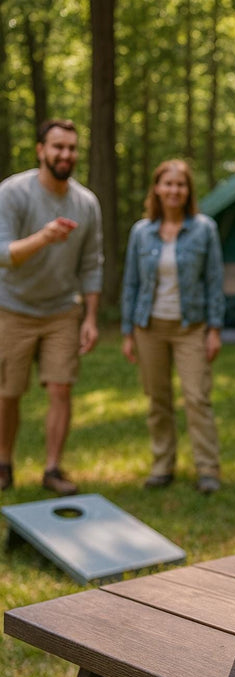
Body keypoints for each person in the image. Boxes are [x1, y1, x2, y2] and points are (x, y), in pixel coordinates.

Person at [0, 118, 104, 495]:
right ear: (41, 150)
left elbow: (92, 262)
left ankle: (52, 469)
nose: (66, 154)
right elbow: (2, 253)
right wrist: (43, 237)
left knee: (61, 387)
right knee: (8, 391)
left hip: (63, 310)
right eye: (58, 147)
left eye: (72, 148)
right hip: (12, 307)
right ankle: (3, 463)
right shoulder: (12, 193)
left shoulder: (86, 202)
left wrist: (91, 317)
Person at [121, 159, 225, 494]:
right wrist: (127, 332)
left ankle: (208, 469)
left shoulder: (204, 229)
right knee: (157, 399)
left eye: (180, 185)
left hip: (190, 327)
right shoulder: (141, 232)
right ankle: (162, 465)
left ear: (188, 191)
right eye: (167, 183)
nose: (174, 190)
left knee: (197, 397)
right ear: (156, 188)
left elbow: (214, 281)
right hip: (148, 327)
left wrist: (214, 329)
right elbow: (131, 283)